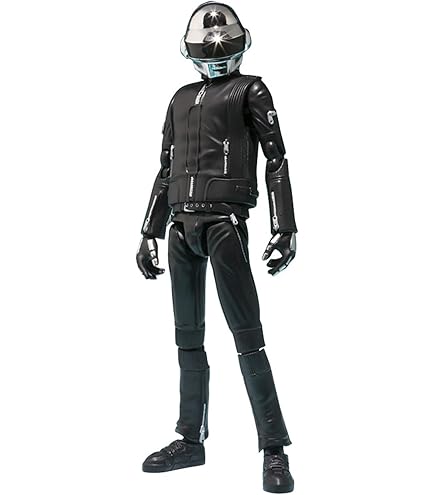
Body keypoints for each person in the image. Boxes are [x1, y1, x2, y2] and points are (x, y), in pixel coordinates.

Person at [136, 3, 298, 492]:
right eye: (207, 50)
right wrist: (149, 229)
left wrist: (284, 226)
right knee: (188, 336)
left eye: (223, 47)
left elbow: (276, 159)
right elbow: (166, 167)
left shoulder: (251, 90)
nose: (216, 55)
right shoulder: (180, 98)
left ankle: (274, 448)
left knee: (248, 337)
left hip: (224, 224)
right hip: (180, 227)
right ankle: (191, 438)